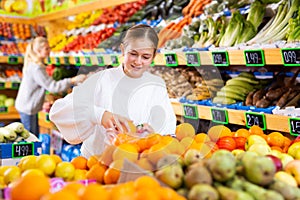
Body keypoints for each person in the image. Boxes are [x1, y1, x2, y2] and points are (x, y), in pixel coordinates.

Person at [49, 24, 177, 158]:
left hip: (136, 163)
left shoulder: (157, 86)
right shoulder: (101, 80)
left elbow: (166, 129)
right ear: (123, 50)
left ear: (153, 56)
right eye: (133, 54)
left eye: (145, 57)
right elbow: (59, 111)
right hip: (96, 164)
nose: (138, 62)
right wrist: (98, 115)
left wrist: (151, 134)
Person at [15, 37, 86, 137]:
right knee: (30, 139)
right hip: (28, 107)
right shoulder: (37, 69)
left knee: (32, 136)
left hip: (27, 105)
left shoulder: (34, 64)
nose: (49, 51)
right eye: (47, 49)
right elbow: (53, 87)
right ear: (39, 51)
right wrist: (73, 80)